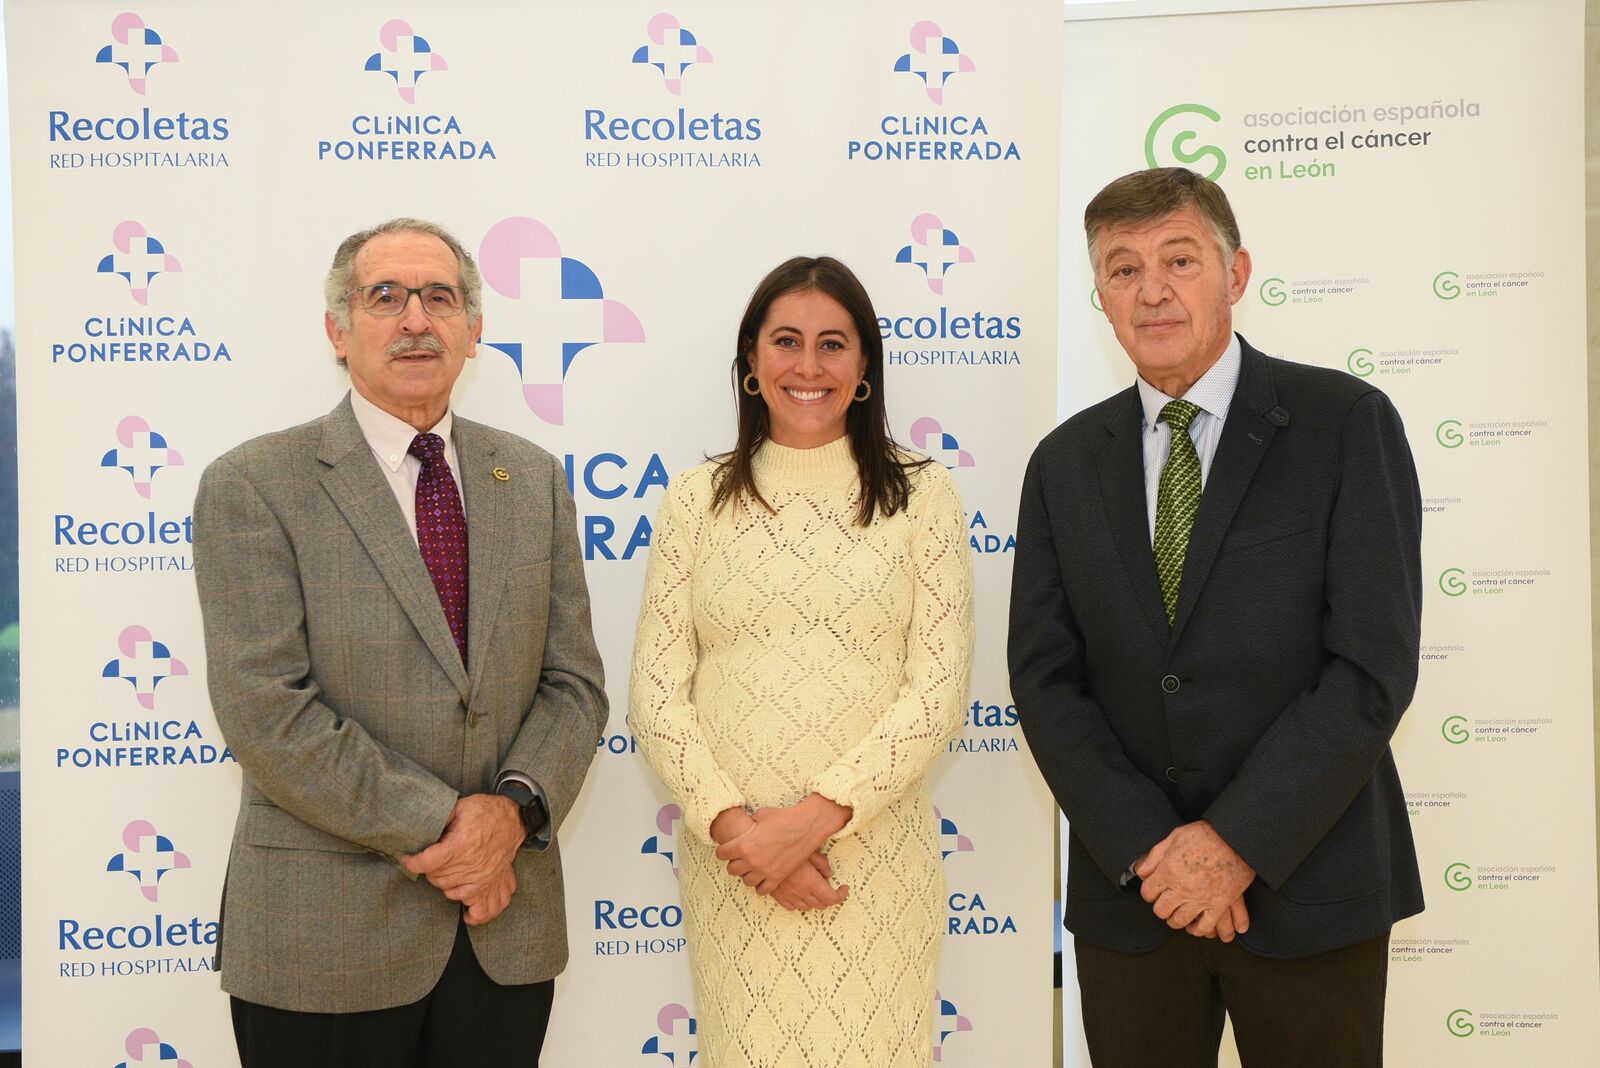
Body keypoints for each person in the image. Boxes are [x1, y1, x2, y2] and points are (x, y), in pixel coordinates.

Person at [1009, 168, 1423, 1066]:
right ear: (1100, 298)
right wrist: (1154, 853)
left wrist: (1235, 843)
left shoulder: (1345, 423)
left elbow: (1370, 667)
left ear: (1235, 274)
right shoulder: (1064, 463)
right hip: (1135, 901)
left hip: (1310, 884)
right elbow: (1045, 682)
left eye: (1178, 259)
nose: (1151, 289)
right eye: (1122, 269)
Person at [193, 218, 607, 1067]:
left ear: (474, 330)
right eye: (385, 296)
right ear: (338, 331)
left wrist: (518, 809)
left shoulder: (531, 478)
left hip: (502, 934)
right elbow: (266, 714)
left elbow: (573, 684)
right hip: (324, 941)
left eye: (441, 297)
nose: (416, 318)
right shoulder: (253, 485)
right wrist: (458, 829)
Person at [629, 256, 974, 1066]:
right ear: (752, 361)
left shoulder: (923, 496)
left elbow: (936, 694)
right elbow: (655, 695)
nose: (808, 366)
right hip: (736, 869)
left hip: (874, 867)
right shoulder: (695, 499)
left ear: (864, 369)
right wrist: (742, 836)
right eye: (787, 342)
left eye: (833, 344)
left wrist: (808, 824)